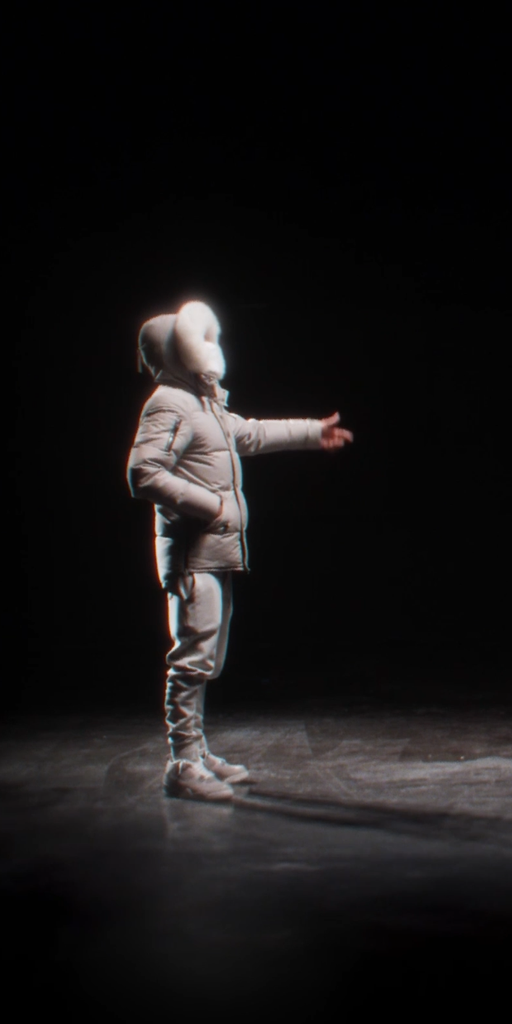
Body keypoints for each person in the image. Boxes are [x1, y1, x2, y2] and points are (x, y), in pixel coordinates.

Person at [126, 300, 354, 803]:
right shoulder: (170, 404)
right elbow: (143, 473)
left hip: (213, 551)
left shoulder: (202, 403)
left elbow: (247, 433)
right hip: (193, 554)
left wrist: (312, 432)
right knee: (192, 659)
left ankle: (196, 751)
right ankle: (182, 763)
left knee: (207, 657)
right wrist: (211, 507)